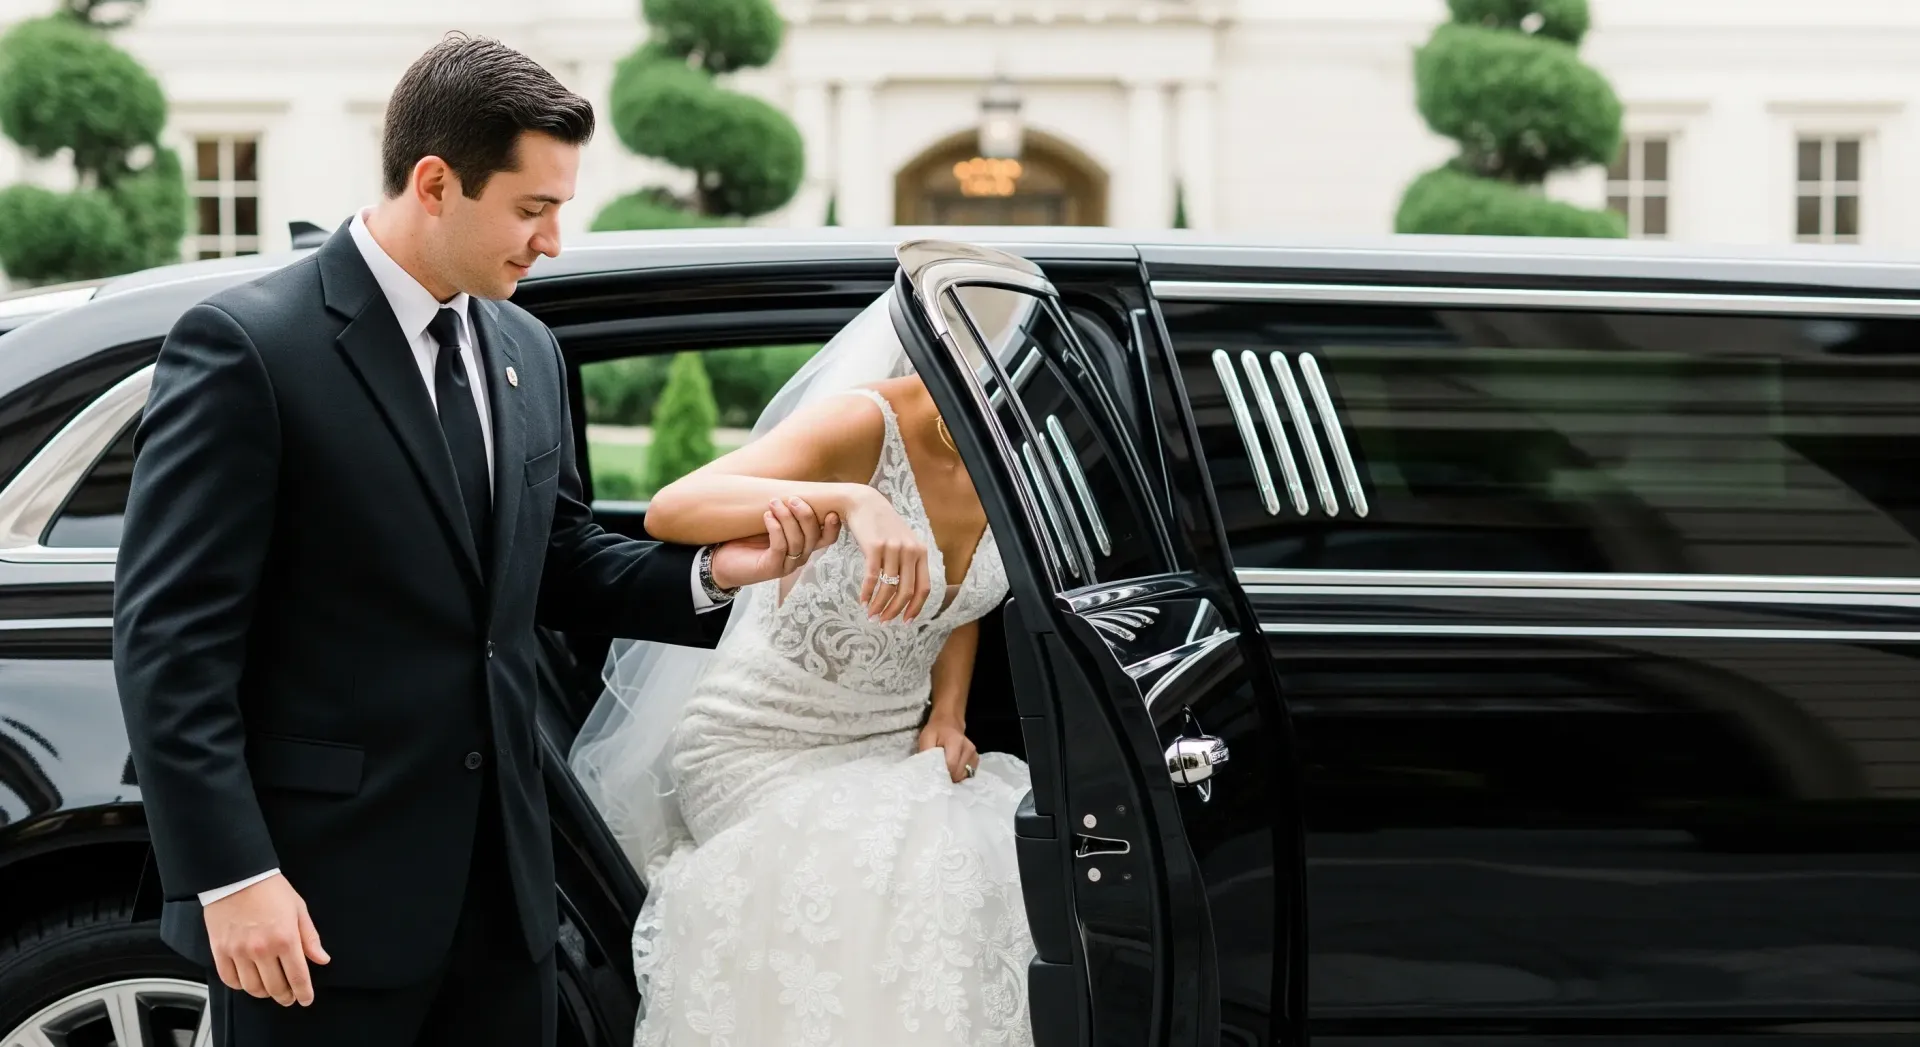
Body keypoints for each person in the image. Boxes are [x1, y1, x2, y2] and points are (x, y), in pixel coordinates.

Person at [111, 33, 834, 1047]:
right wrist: (233, 878)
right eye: (532, 209)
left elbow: (559, 558)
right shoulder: (249, 348)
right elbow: (169, 644)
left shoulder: (526, 345)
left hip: (505, 905)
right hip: (314, 903)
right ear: (436, 183)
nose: (552, 243)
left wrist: (718, 572)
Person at [568, 291, 1038, 1046]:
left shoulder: (1011, 456)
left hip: (892, 742)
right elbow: (670, 509)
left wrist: (947, 714)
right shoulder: (864, 423)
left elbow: (960, 602)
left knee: (1000, 855)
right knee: (908, 879)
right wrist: (849, 499)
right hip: (758, 742)